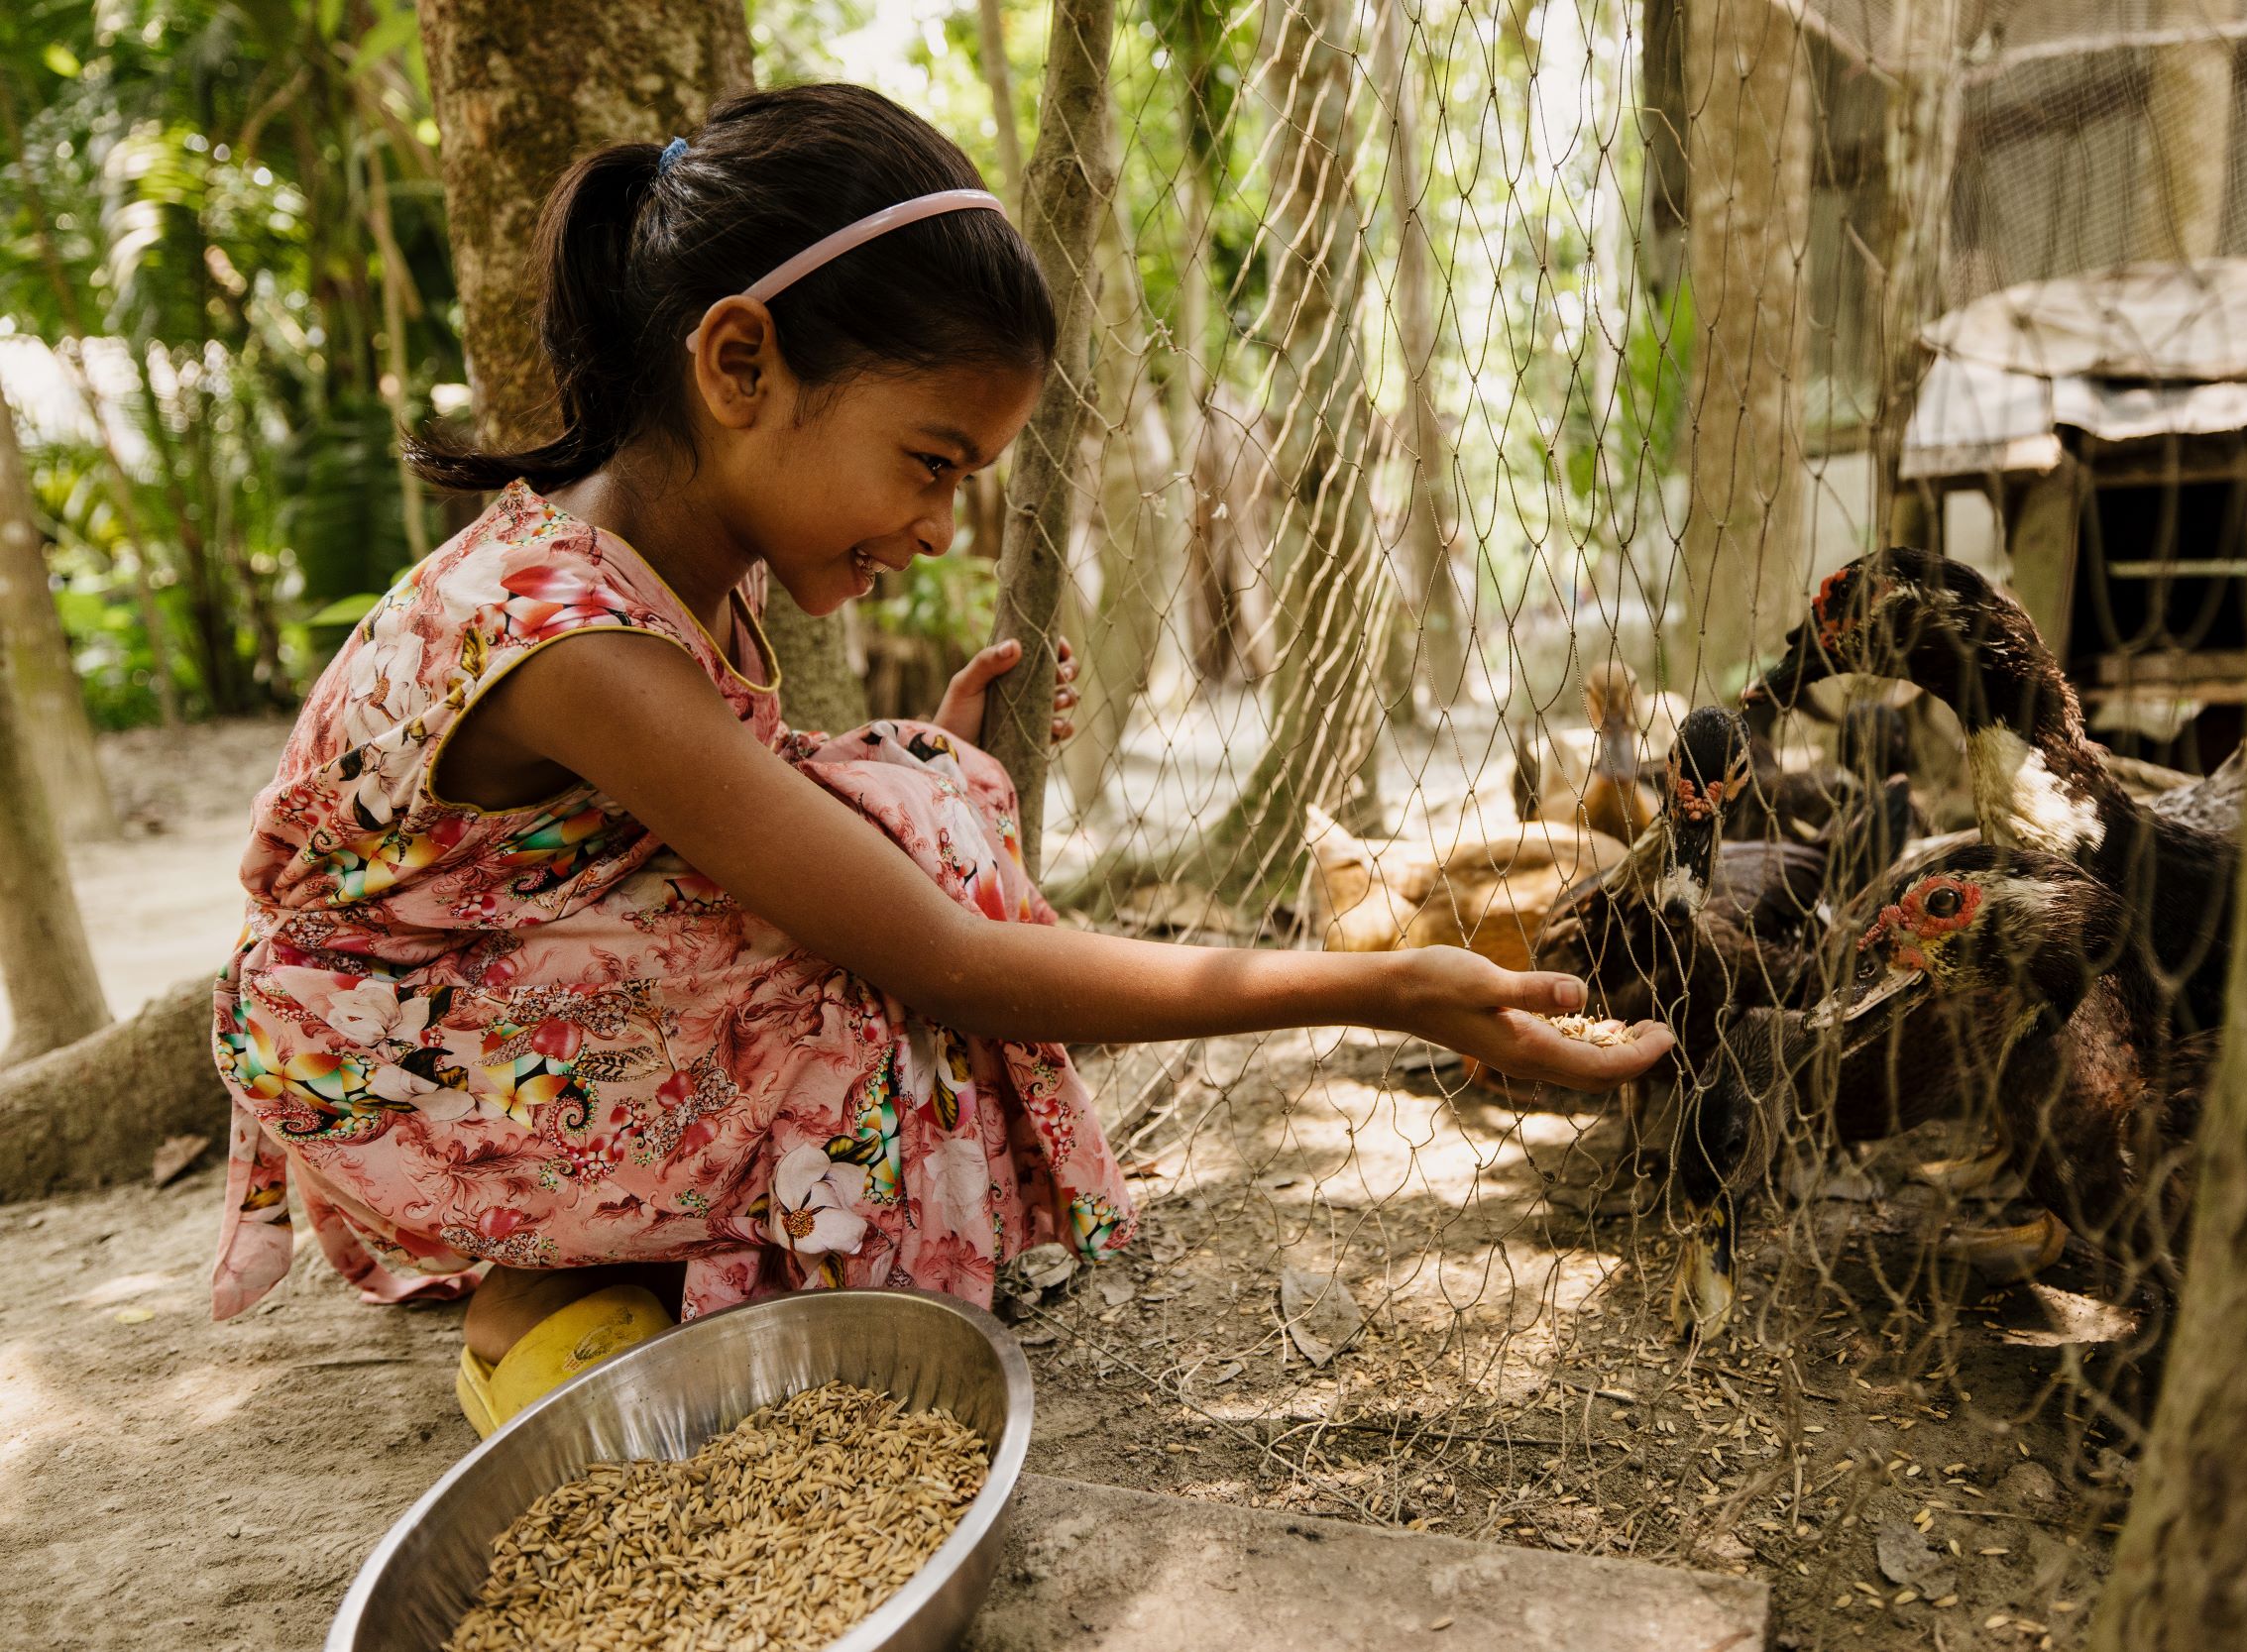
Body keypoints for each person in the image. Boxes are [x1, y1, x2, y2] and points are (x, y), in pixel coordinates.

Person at [208, 83, 1671, 1435]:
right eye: (931, 463)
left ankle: (639, 1247)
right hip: (384, 1056)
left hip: (476, 1001)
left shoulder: (675, 562)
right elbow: (946, 961)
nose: (937, 527)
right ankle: (529, 1305)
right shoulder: (581, 640)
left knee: (916, 801)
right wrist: (1396, 991)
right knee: (873, 965)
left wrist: (937, 769)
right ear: (738, 363)